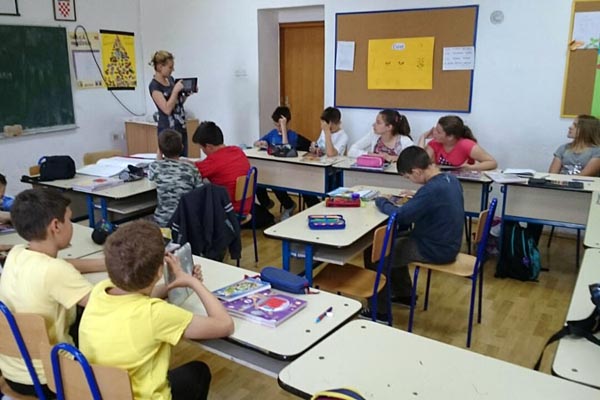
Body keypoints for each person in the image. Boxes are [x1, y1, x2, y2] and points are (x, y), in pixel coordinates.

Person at [79, 220, 234, 400]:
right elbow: (225, 324)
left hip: (100, 393)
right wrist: (193, 283)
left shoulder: (100, 290)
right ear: (160, 271)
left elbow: (137, 297)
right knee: (199, 372)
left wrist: (173, 285)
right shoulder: (155, 314)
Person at [0, 188, 105, 397]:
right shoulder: (55, 272)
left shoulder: (17, 253)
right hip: (51, 377)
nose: (72, 225)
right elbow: (107, 306)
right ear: (56, 226)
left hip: (14, 371)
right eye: (69, 220)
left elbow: (63, 265)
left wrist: (105, 263)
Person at [363, 146, 464, 320]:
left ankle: (379, 312)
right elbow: (430, 202)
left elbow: (400, 216)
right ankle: (404, 294)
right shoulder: (449, 179)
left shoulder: (431, 190)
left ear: (416, 171)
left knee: (376, 253)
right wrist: (417, 197)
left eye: (408, 177)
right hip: (447, 242)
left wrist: (382, 202)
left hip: (435, 249)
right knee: (390, 241)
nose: (410, 181)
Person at [192, 121, 251, 213]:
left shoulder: (213, 161)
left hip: (229, 211)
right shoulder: (237, 151)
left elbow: (191, 172)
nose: (203, 151)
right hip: (245, 206)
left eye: (202, 148)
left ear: (209, 146)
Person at [149, 129, 202, 227]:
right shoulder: (191, 169)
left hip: (163, 221)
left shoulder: (155, 167)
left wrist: (159, 156)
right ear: (182, 147)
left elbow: (151, 178)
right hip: (186, 221)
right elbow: (200, 191)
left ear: (160, 150)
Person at [254, 106, 299, 219]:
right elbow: (256, 142)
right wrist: (261, 143)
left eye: (280, 125)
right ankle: (266, 204)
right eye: (276, 125)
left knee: (276, 184)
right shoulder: (272, 134)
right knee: (259, 181)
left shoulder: (292, 135)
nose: (278, 128)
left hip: (288, 171)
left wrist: (283, 129)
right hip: (274, 168)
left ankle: (289, 205)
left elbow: (286, 148)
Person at [149, 50, 193, 156]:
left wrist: (185, 95)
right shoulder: (154, 86)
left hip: (180, 127)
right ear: (160, 67)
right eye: (170, 67)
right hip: (168, 130)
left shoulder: (171, 80)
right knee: (171, 159)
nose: (172, 70)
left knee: (183, 157)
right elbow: (167, 109)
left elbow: (176, 103)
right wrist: (175, 91)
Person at [304, 107, 349, 208]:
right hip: (320, 166)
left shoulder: (343, 136)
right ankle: (314, 207)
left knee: (328, 187)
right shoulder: (324, 131)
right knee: (305, 184)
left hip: (333, 171)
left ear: (331, 124)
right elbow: (320, 146)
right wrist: (315, 148)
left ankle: (324, 206)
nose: (322, 127)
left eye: (324, 124)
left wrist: (327, 132)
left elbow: (331, 153)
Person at [418, 115, 497, 170]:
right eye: (435, 129)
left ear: (450, 137)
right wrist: (423, 137)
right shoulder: (434, 143)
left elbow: (492, 163)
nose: (434, 133)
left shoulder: (466, 145)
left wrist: (472, 167)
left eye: (438, 132)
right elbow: (419, 163)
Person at [348, 109, 414, 162]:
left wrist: (392, 158)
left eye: (378, 122)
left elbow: (413, 159)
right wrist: (373, 155)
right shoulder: (373, 135)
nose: (373, 125)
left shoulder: (405, 141)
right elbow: (351, 151)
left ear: (389, 127)